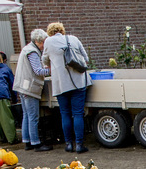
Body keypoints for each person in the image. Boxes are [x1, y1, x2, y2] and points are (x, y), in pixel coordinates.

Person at [42, 22, 92, 153]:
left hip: (61, 84)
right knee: (78, 114)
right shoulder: (73, 39)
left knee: (65, 114)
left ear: (49, 32)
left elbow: (45, 61)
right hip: (78, 83)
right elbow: (86, 59)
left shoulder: (48, 42)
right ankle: (80, 145)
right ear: (62, 30)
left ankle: (69, 144)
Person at [13, 28, 52, 151]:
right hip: (29, 88)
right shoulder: (33, 52)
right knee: (33, 116)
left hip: (22, 86)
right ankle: (36, 143)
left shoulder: (26, 49)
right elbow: (38, 71)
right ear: (37, 41)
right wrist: (53, 70)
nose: (43, 46)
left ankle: (27, 141)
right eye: (43, 43)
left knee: (26, 115)